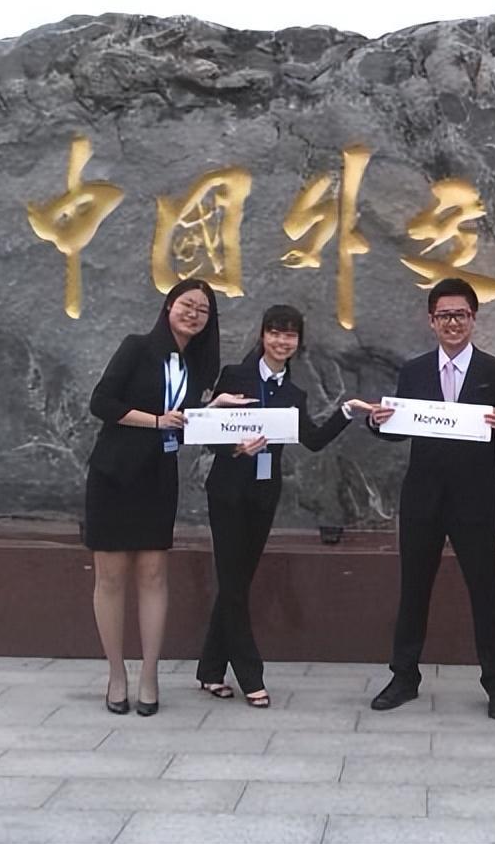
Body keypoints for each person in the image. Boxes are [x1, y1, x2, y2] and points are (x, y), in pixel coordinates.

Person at [83, 278, 248, 716]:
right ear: (169, 306)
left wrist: (216, 414)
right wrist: (156, 421)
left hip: (158, 477)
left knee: (154, 574)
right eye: (186, 305)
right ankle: (116, 675)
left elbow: (185, 423)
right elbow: (102, 402)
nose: (193, 314)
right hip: (114, 474)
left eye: (203, 310)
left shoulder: (197, 366)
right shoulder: (137, 347)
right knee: (111, 577)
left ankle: (149, 675)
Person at [364, 278, 495, 719]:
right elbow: (397, 428)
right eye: (444, 316)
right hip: (423, 497)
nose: (453, 323)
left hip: (476, 499)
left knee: (485, 590)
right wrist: (378, 421)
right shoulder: (414, 371)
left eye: (461, 315)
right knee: (414, 588)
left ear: (473, 319)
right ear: (431, 321)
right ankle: (404, 677)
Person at [197, 304, 367, 708]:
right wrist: (235, 447)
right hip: (227, 492)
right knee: (233, 584)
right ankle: (251, 675)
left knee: (237, 583)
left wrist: (348, 411)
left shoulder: (293, 393)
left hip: (263, 494)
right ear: (262, 335)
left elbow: (313, 440)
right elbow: (207, 432)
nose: (281, 341)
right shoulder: (235, 377)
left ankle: (210, 671)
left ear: (298, 342)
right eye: (275, 332)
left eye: (289, 335)